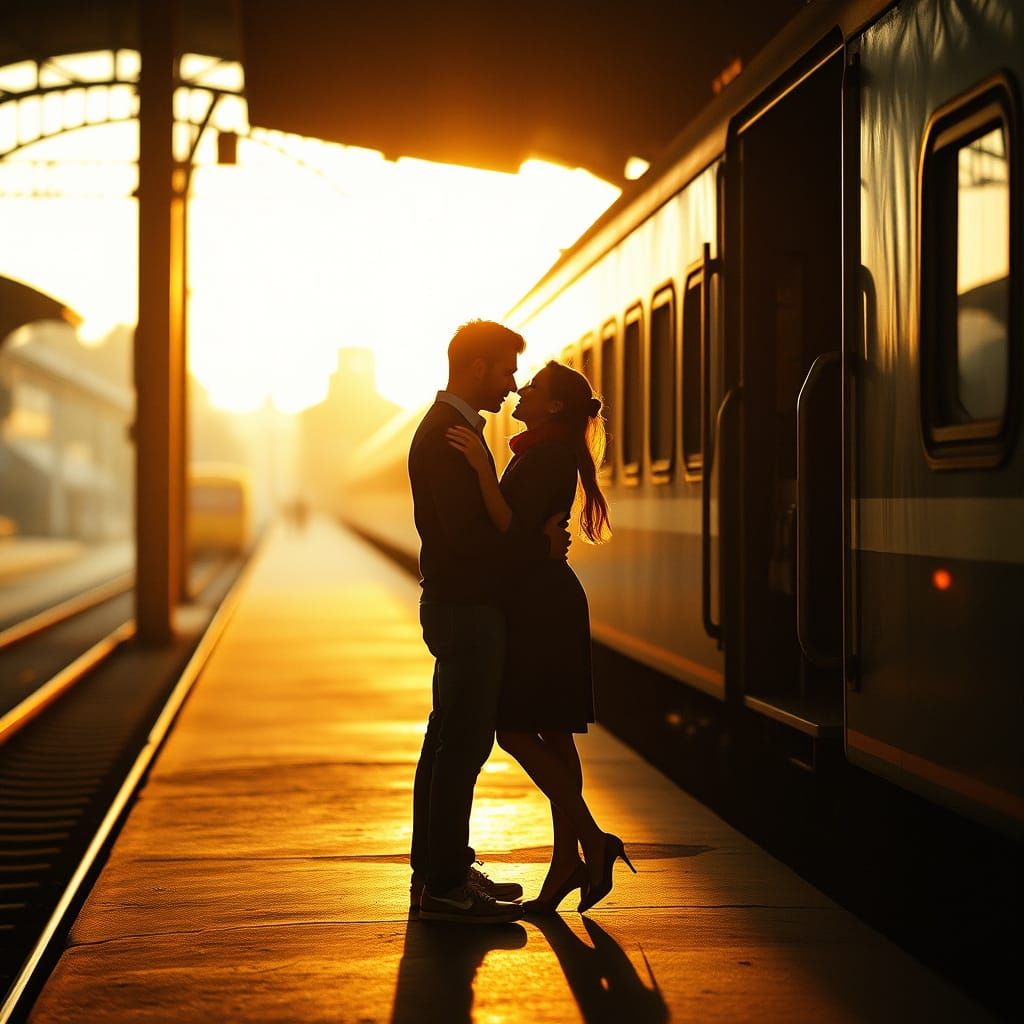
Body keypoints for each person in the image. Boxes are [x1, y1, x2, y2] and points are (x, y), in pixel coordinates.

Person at [446, 359, 635, 914]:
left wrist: (481, 472)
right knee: (553, 735)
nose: (519, 391)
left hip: (540, 607)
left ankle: (593, 843)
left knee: (515, 731)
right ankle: (567, 863)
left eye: (531, 387)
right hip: (544, 600)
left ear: (553, 405)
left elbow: (510, 525)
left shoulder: (546, 455)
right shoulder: (546, 451)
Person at [408, 320, 571, 925]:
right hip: (467, 609)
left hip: (459, 605)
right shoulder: (448, 434)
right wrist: (539, 551)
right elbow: (470, 541)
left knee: (446, 741)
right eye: (505, 371)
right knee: (463, 747)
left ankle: (438, 871)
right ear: (476, 368)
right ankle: (446, 886)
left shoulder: (448, 430)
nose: (510, 384)